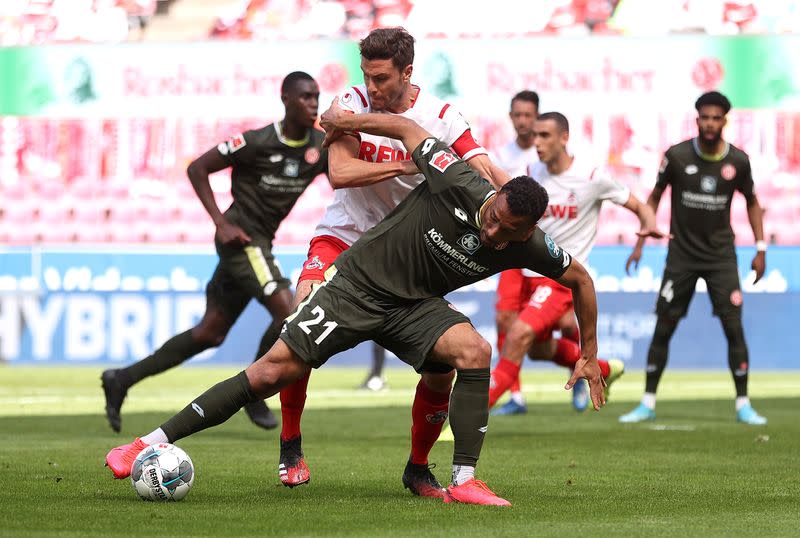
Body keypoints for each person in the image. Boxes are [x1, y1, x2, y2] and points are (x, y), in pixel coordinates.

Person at [105, 101, 607, 507]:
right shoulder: (459, 182)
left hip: (415, 306)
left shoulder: (532, 245)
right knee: (267, 374)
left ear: (528, 231)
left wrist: (589, 350)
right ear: (493, 198)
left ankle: (452, 477)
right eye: (493, 217)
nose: (492, 230)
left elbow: (581, 281)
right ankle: (145, 443)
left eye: (506, 231)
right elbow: (407, 127)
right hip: (356, 285)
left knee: (472, 353)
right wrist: (347, 122)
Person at [275, 27, 509, 494]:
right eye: (367, 75)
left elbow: (484, 167)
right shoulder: (352, 102)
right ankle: (290, 442)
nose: (372, 87)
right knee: (298, 328)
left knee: (443, 367)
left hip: (406, 259)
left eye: (381, 78)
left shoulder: (441, 117)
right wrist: (410, 162)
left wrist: (521, 202)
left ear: (407, 72)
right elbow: (340, 173)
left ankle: (418, 466)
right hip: (342, 243)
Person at [100, 72, 327, 433]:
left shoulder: (320, 146)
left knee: (210, 333)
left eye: (316, 96)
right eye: (305, 97)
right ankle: (255, 390)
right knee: (291, 312)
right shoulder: (256, 141)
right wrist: (220, 221)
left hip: (258, 243)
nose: (313, 104)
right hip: (241, 240)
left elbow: (345, 177)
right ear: (285, 99)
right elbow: (197, 168)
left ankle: (121, 378)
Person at [486, 112, 666, 415]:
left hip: (559, 275)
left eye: (545, 136)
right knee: (540, 350)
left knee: (517, 336)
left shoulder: (592, 177)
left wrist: (644, 232)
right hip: (527, 270)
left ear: (564, 138)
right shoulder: (532, 171)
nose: (537, 142)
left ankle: (467, 418)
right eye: (535, 136)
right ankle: (605, 368)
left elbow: (638, 205)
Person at [619, 91, 768, 425]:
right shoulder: (676, 156)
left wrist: (761, 248)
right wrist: (643, 237)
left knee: (733, 327)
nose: (710, 123)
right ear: (697, 118)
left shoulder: (739, 162)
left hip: (720, 258)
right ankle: (647, 402)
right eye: (705, 117)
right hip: (682, 256)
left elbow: (753, 202)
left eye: (717, 117)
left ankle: (743, 403)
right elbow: (654, 196)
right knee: (664, 326)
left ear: (724, 121)